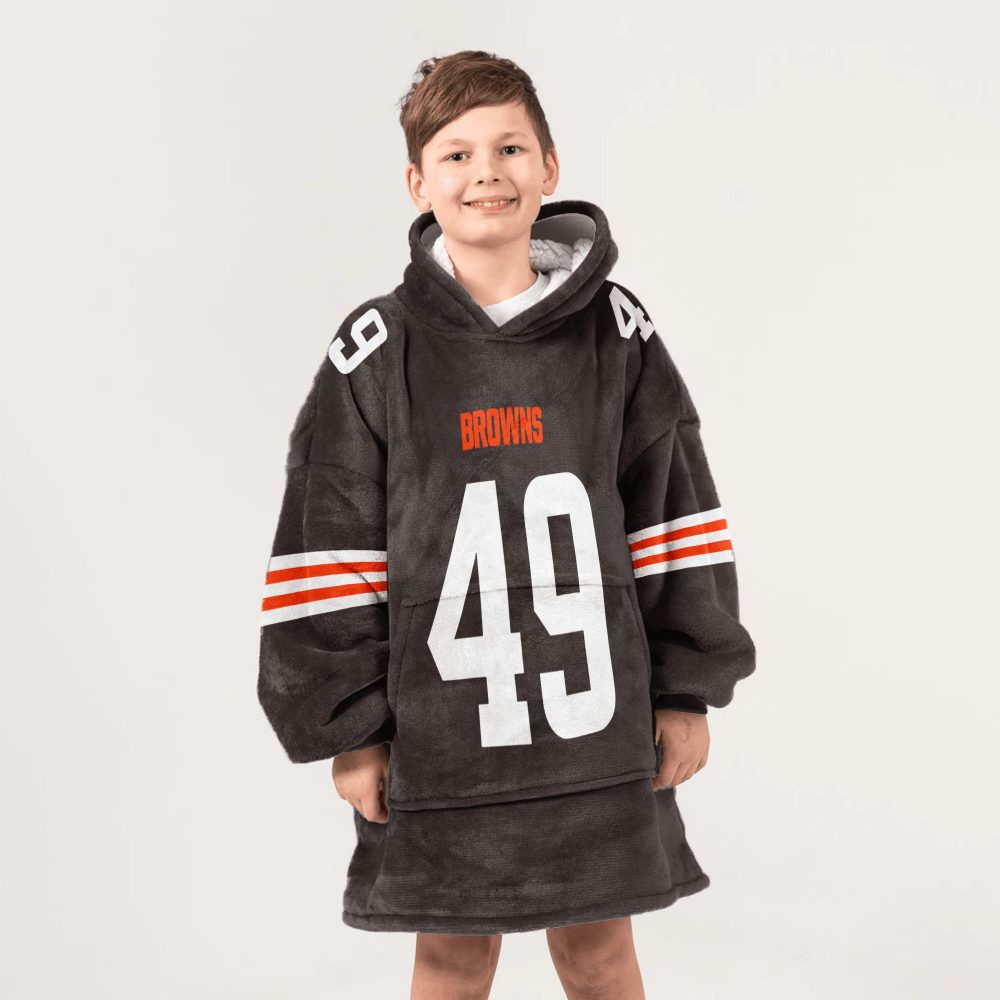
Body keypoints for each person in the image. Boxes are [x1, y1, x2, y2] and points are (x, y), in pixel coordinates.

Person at [257, 49, 756, 1000]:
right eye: (456, 155)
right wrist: (351, 728)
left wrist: (688, 687)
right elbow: (328, 540)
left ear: (550, 167)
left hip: (594, 727)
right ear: (418, 183)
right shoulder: (376, 352)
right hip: (440, 736)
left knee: (598, 952)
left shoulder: (616, 333)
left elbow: (672, 513)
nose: (485, 172)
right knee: (452, 958)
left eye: (510, 148)